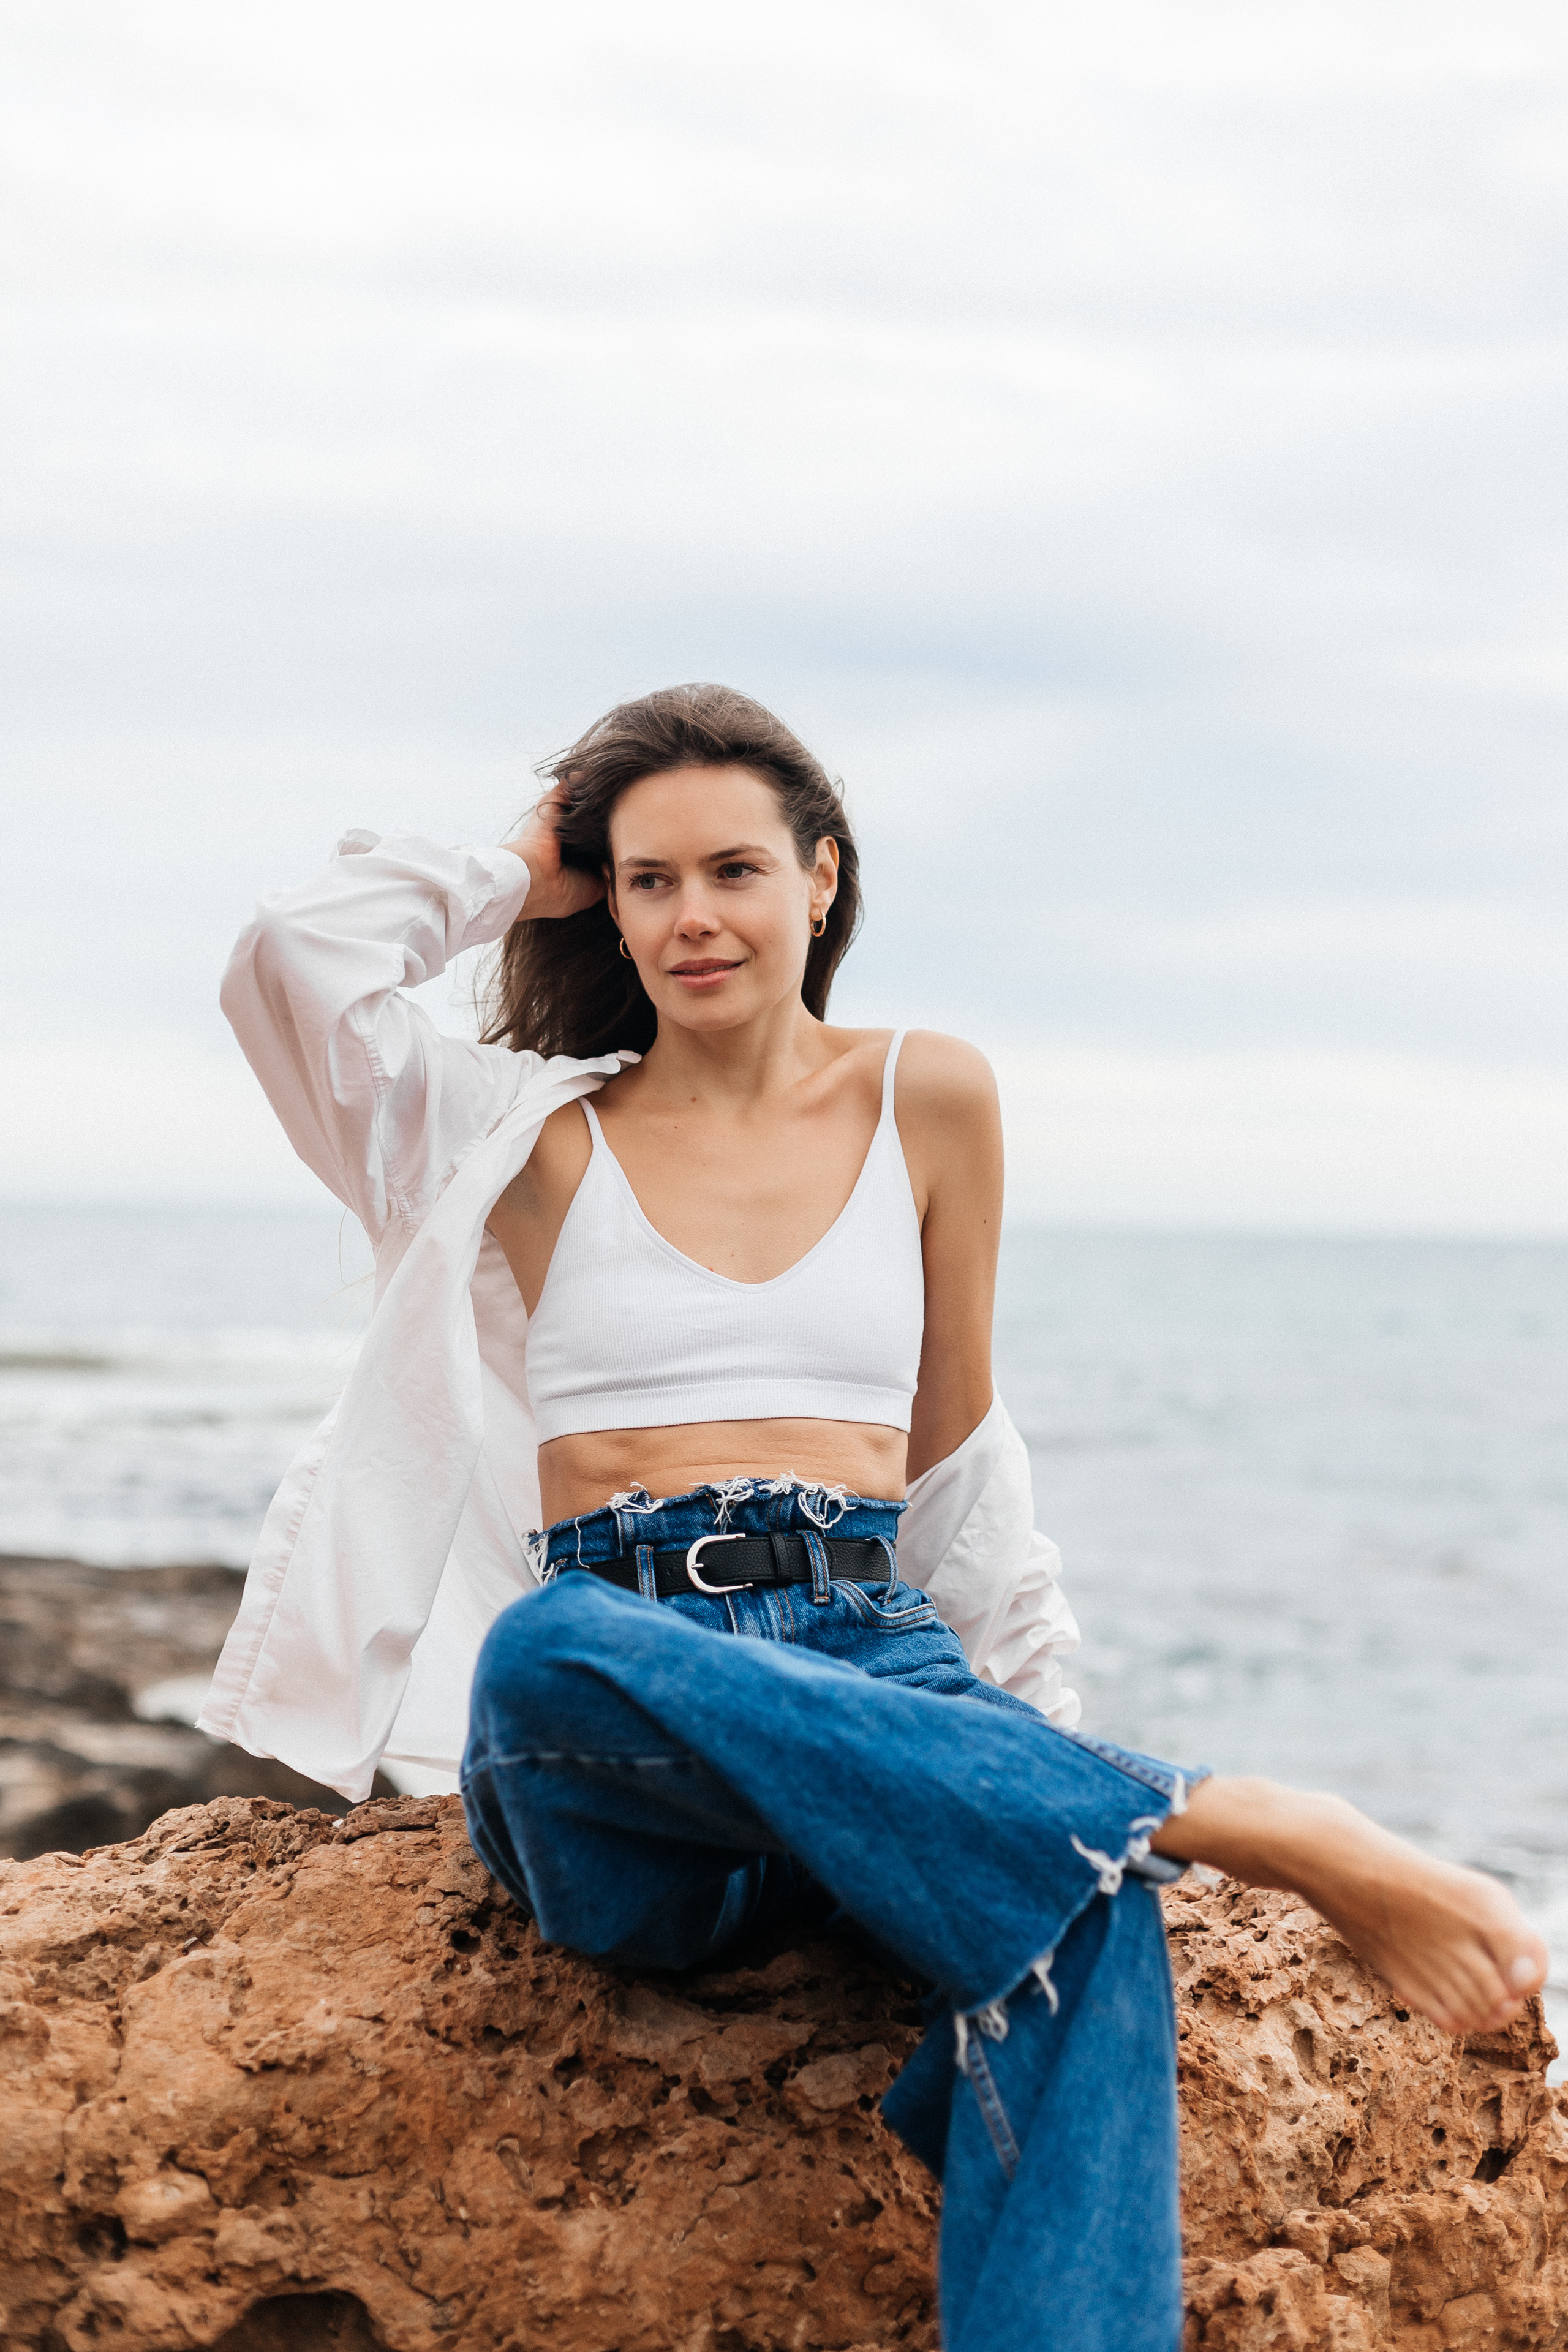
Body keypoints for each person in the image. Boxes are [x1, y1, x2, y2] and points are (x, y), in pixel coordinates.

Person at [202, 683, 1547, 2352]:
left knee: (1084, 1910)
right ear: (600, 902)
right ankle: (1231, 1815)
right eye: (646, 879)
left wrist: (1032, 1752)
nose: (694, 916)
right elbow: (288, 962)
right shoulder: (523, 1132)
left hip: (874, 1662)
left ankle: (1127, 1839)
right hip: (631, 1724)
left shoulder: (933, 1098)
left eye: (735, 870)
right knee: (551, 1646)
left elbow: (961, 1459)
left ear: (820, 876)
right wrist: (512, 859)